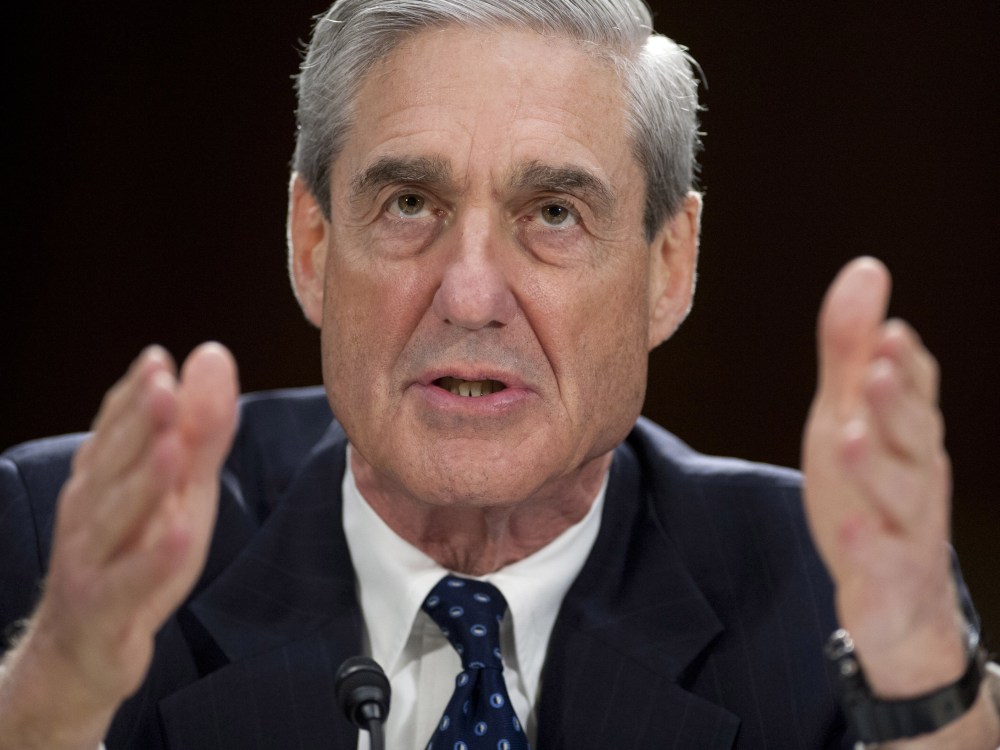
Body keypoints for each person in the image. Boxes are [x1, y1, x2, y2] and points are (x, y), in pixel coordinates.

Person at [1, 0, 998, 748]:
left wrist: (921, 681)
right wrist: (53, 697)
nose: (471, 293)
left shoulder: (820, 586)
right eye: (408, 203)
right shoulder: (63, 548)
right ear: (312, 244)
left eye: (553, 214)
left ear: (668, 266)